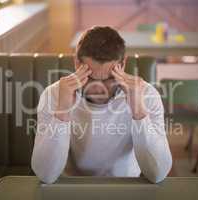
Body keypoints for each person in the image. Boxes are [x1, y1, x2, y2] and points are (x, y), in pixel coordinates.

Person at [31, 26, 172, 184]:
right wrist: (62, 112)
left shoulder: (146, 95)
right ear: (76, 62)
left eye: (108, 79)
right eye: (90, 78)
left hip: (126, 186)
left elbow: (158, 173)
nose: (98, 89)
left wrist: (138, 111)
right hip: (73, 187)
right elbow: (45, 174)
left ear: (123, 64)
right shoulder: (54, 95)